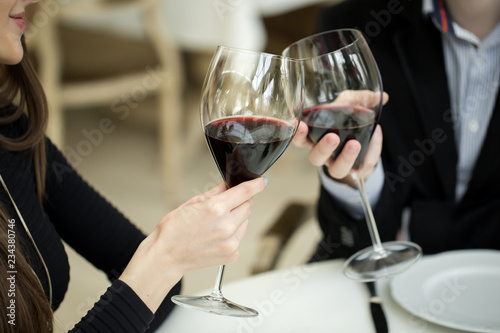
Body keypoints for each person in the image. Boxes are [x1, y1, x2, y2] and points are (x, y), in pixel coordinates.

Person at [0, 0, 267, 331]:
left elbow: (146, 272)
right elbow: (154, 276)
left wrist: (170, 250)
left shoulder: (8, 127)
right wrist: (166, 258)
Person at [292, 0, 500, 259]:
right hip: (380, 275)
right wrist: (356, 181)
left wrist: (417, 226)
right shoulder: (353, 25)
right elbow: (349, 243)